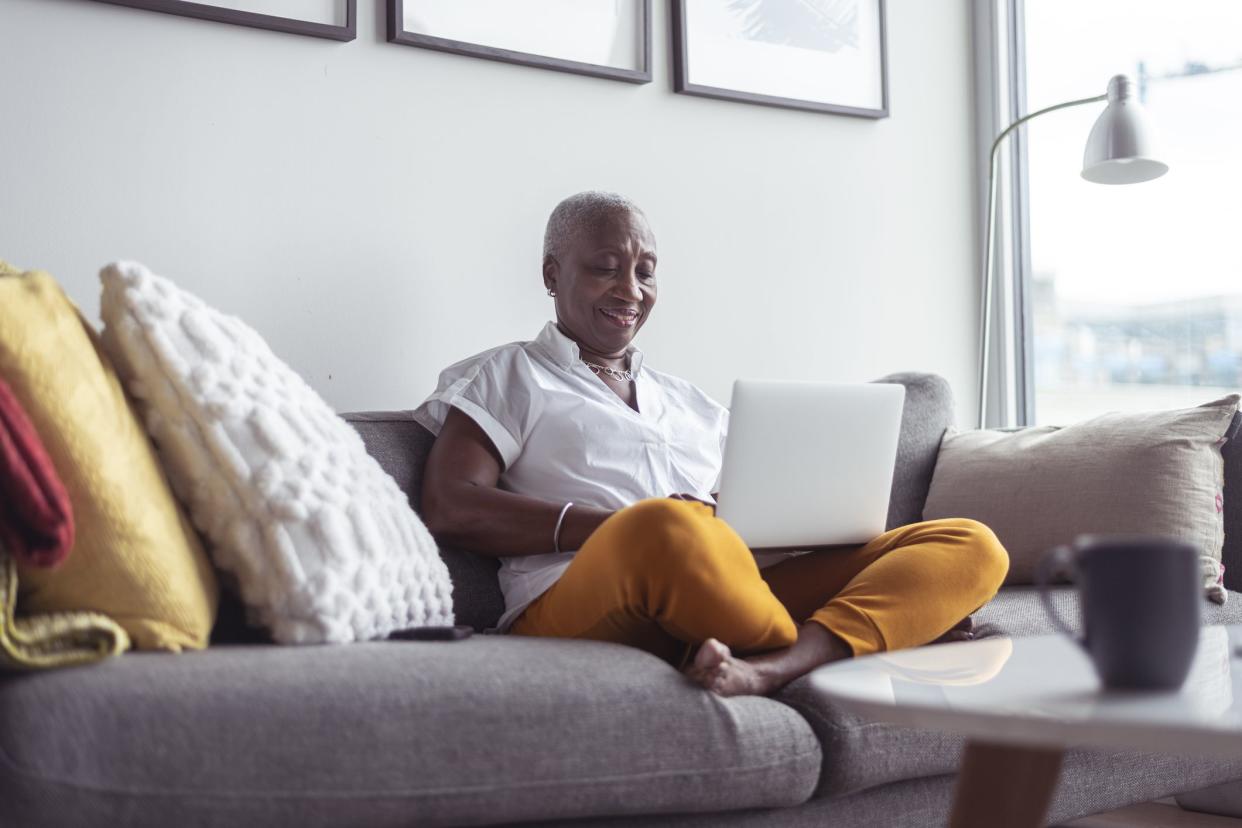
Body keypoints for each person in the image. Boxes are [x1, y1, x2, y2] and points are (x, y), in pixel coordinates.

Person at [414, 191, 1009, 697]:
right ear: (552, 274)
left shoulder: (692, 403)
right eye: (605, 267)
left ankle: (775, 663)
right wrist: (618, 526)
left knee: (970, 542)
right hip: (582, 599)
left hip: (729, 584)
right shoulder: (508, 375)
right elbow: (452, 504)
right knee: (667, 529)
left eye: (645, 272)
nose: (630, 289)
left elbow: (744, 514)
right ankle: (870, 636)